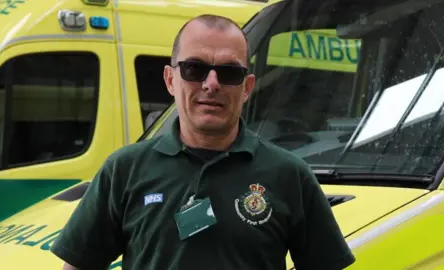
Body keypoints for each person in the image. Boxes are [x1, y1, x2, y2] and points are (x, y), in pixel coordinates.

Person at [50, 14, 356, 270]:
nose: (211, 84)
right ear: (171, 80)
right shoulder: (124, 170)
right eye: (195, 69)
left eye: (229, 73)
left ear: (246, 87)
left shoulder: (290, 175)